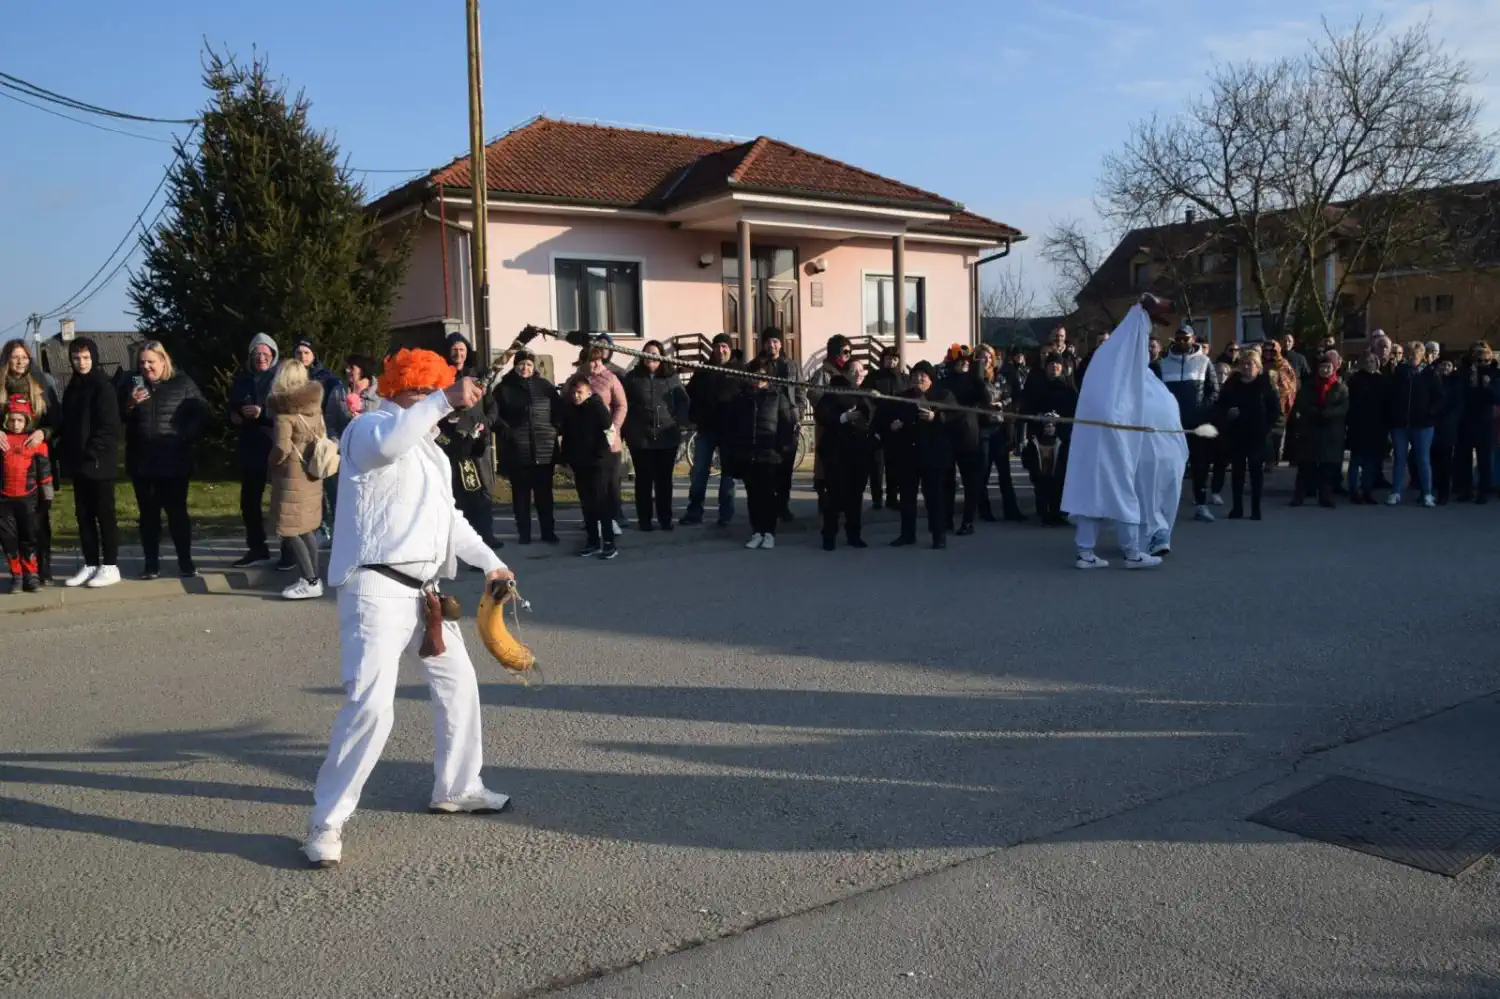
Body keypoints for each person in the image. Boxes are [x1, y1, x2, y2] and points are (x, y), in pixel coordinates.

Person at [303, 350, 514, 869]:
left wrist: (491, 562)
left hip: (425, 592)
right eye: (429, 392)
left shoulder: (433, 452)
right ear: (409, 389)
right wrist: (445, 397)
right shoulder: (368, 427)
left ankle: (459, 786)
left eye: (440, 393)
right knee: (371, 707)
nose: (440, 405)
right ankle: (326, 821)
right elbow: (391, 444)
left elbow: (451, 520)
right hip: (375, 590)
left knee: (459, 685)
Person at [1062, 296, 1183, 569]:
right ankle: (1132, 553)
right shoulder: (1119, 363)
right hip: (1110, 438)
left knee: (1090, 492)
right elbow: (1117, 405)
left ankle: (1085, 552)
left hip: (1096, 437)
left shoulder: (1108, 361)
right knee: (1122, 491)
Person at [121, 341, 208, 580]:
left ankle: (185, 562)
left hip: (174, 461)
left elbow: (201, 412)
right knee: (148, 516)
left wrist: (183, 436)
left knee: (177, 514)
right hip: (142, 461)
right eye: (142, 363)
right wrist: (130, 404)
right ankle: (151, 564)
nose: (146, 367)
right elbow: (118, 415)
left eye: (151, 361)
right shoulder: (131, 384)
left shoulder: (182, 383)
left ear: (163, 361)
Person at [56, 337, 123, 588]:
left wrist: (92, 453)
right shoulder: (73, 387)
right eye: (76, 357)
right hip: (78, 464)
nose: (81, 362)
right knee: (83, 515)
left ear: (93, 358)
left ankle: (111, 565)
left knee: (104, 515)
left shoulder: (102, 386)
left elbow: (110, 427)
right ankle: (91, 562)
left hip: (99, 463)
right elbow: (68, 424)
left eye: (85, 357)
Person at [267, 359, 329, 599]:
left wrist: (270, 464)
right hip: (312, 473)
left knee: (290, 529)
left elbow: (281, 449)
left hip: (291, 477)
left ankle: (310, 580)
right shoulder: (314, 407)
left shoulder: (285, 414)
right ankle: (314, 577)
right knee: (307, 529)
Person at [3, 339, 59, 582]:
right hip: (7, 462)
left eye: (24, 357)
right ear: (7, 359)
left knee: (38, 519)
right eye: (15, 357)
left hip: (36, 458)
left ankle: (41, 569)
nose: (20, 362)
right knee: (9, 524)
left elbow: (57, 419)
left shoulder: (42, 383)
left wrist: (43, 432)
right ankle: (19, 571)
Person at [228, 334, 286, 569]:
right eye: (257, 354)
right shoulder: (242, 379)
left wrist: (264, 414)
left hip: (275, 445)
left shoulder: (280, 379)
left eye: (266, 354)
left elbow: (289, 412)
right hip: (250, 446)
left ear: (273, 356)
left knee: (282, 502)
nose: (261, 358)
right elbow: (230, 407)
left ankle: (289, 552)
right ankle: (257, 548)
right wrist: (237, 415)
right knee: (249, 502)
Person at [884, 361, 956, 550]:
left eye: (923, 376)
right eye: (915, 375)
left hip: (934, 455)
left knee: (934, 498)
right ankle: (907, 534)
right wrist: (893, 426)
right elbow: (886, 419)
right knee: (907, 497)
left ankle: (938, 535)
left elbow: (956, 417)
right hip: (908, 455)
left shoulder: (943, 396)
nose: (918, 379)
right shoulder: (901, 398)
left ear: (931, 378)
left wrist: (936, 417)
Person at [440, 333, 501, 551]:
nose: (458, 354)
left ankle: (487, 535)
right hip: (453, 444)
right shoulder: (441, 378)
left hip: (477, 443)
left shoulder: (477, 377)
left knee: (482, 491)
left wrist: (487, 423)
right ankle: (465, 542)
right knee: (460, 495)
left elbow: (491, 406)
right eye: (454, 350)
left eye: (462, 349)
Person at [493, 350, 561, 544]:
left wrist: (554, 429)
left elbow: (559, 410)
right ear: (515, 366)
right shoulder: (504, 388)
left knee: (545, 496)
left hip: (544, 450)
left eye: (529, 365)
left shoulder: (545, 386)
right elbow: (495, 416)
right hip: (517, 451)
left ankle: (548, 532)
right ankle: (524, 534)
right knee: (521, 497)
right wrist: (508, 433)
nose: (525, 368)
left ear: (534, 367)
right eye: (521, 364)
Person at [729, 358, 796, 550]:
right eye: (754, 374)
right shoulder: (741, 398)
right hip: (748, 453)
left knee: (769, 495)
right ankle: (756, 531)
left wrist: (782, 449)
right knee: (753, 495)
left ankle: (769, 532)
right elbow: (732, 428)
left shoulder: (777, 397)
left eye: (762, 374)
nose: (758, 378)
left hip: (770, 454)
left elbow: (787, 425)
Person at [1157, 321, 1221, 523]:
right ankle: (1163, 507)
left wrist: (1202, 411)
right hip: (1171, 424)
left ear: (1193, 339)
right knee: (1169, 466)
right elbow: (1157, 393)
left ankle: (1201, 505)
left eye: (1186, 338)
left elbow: (1214, 390)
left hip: (1196, 424)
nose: (1182, 342)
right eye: (1178, 339)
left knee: (1200, 465)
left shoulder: (1204, 361)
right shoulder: (1163, 364)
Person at [622, 340, 689, 532]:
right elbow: (623, 403)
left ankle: (665, 519)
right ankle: (644, 520)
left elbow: (683, 401)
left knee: (664, 481)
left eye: (654, 353)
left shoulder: (671, 378)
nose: (650, 357)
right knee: (643, 480)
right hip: (641, 438)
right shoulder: (633, 378)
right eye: (647, 353)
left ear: (661, 356)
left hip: (666, 437)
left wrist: (679, 421)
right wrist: (628, 429)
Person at [814, 357, 875, 550]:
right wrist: (844, 417)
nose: (858, 374)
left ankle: (854, 534)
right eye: (854, 370)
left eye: (861, 370)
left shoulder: (867, 394)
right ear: (846, 373)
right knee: (834, 496)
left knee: (856, 496)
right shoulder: (834, 391)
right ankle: (829, 535)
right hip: (837, 452)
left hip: (859, 452)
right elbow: (822, 415)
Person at [681, 333, 741, 526]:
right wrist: (692, 417)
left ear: (730, 349)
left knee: (728, 475)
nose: (720, 350)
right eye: (717, 347)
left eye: (724, 346)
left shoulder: (740, 370)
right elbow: (688, 395)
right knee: (699, 472)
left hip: (730, 431)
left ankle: (725, 514)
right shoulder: (704, 371)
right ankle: (694, 511)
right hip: (706, 428)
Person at [1213, 349, 1280, 520]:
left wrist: (1266, 427)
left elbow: (1275, 410)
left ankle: (1256, 509)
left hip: (1257, 435)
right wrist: (1228, 413)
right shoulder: (1232, 383)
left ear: (1258, 367)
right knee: (1237, 473)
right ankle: (1237, 508)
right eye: (1243, 363)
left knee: (1256, 473)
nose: (1246, 367)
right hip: (1236, 434)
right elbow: (1220, 406)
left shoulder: (1265, 384)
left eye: (1250, 364)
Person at [560, 374, 618, 560]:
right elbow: (567, 436)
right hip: (580, 463)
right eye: (573, 392)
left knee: (601, 502)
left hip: (598, 462)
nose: (576, 396)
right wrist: (566, 458)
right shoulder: (570, 411)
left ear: (588, 391)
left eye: (579, 392)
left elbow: (609, 431)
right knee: (587, 504)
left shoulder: (596, 407)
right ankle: (592, 540)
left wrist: (600, 453)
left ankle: (609, 542)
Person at [1019, 353, 1079, 525]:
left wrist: (1058, 421)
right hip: (1040, 439)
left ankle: (1058, 511)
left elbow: (1074, 412)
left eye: (1057, 365)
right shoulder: (1037, 386)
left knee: (1059, 477)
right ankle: (1043, 511)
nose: (1054, 368)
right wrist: (1042, 419)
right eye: (1051, 365)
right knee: (1041, 477)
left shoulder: (1069, 388)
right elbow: (1027, 410)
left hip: (1062, 439)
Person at [0, 396, 51, 593]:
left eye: (20, 420)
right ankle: (17, 576)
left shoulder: (37, 444)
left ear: (27, 421)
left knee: (29, 538)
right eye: (12, 420)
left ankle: (32, 575)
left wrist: (46, 498)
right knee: (8, 539)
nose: (16, 424)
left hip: (29, 499)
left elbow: (45, 473)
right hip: (5, 500)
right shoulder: (2, 441)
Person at [322, 354, 380, 526]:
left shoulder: (380, 394)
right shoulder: (338, 392)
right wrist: (336, 443)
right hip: (345, 456)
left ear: (363, 371)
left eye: (352, 368)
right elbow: (330, 421)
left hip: (371, 456)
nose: (347, 371)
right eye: (347, 367)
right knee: (345, 501)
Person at [1385, 342, 1443, 507]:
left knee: (1423, 459)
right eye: (1409, 355)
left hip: (1423, 424)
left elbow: (1439, 397)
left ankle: (1427, 493)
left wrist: (1431, 411)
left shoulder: (1430, 374)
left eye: (1415, 355)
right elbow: (1390, 396)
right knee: (1399, 458)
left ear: (1421, 356)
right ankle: (1395, 492)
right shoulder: (1399, 373)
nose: (1412, 358)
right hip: (1400, 424)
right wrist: (1392, 414)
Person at [938, 348, 989, 536]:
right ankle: (947, 519)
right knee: (947, 479)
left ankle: (968, 520)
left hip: (969, 433)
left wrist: (979, 370)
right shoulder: (944, 382)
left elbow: (985, 397)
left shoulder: (974, 381)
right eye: (960, 361)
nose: (964, 364)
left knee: (970, 479)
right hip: (948, 433)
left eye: (966, 361)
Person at [1289, 352, 1350, 509]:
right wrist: (1314, 412)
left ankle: (1325, 497)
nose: (1325, 370)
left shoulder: (1340, 386)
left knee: (1326, 469)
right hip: (1311, 429)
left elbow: (1344, 407)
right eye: (1322, 367)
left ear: (1334, 368)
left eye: (1328, 367)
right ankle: (1299, 496)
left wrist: (1327, 413)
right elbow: (1301, 403)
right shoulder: (1310, 386)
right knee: (1306, 466)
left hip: (1331, 431)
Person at [578, 345, 627, 536]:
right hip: (585, 441)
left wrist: (614, 427)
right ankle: (591, 519)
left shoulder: (610, 378)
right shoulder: (577, 380)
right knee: (589, 484)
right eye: (592, 360)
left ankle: (612, 519)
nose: (596, 364)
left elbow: (621, 405)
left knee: (609, 484)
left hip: (608, 440)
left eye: (599, 360)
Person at [757, 328, 804, 521]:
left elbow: (801, 391)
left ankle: (783, 506)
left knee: (785, 471)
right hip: (765, 425)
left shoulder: (791, 366)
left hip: (787, 424)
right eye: (768, 341)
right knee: (766, 471)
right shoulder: (755, 366)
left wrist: (798, 413)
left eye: (776, 341)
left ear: (781, 344)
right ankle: (767, 508)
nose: (772, 345)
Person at [975, 344, 1024, 522]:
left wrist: (1004, 405)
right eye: (981, 357)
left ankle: (1011, 510)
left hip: (1001, 429)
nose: (986, 360)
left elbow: (1013, 397)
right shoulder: (976, 377)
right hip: (983, 428)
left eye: (988, 356)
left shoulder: (1003, 376)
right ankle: (983, 510)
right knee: (983, 471)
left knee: (1005, 473)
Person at [1454, 342, 1499, 503]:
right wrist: (1470, 380)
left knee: (1484, 459)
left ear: (1489, 359)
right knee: (1464, 457)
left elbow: (1496, 397)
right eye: (1477, 360)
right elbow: (1459, 394)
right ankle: (1465, 490)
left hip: (1485, 420)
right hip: (1466, 419)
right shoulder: (1465, 372)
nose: (1480, 364)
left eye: (1484, 360)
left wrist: (1486, 386)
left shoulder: (1495, 374)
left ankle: (1483, 492)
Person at [1344, 352, 1389, 505]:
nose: (1371, 363)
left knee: (1371, 461)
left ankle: (1367, 490)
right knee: (1356, 460)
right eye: (1368, 361)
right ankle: (1353, 490)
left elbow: (1386, 404)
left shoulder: (1382, 380)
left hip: (1377, 426)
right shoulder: (1355, 380)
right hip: (1358, 425)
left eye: (1373, 361)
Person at [863, 345, 905, 510]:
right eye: (888, 358)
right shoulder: (874, 377)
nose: (892, 361)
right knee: (877, 466)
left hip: (896, 428)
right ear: (883, 360)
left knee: (894, 465)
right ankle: (876, 498)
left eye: (895, 358)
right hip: (878, 427)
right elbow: (866, 399)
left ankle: (893, 497)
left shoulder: (903, 378)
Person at [1020, 412, 1067, 527]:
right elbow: (1027, 458)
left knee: (1055, 496)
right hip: (1040, 475)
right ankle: (1044, 517)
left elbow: (1064, 460)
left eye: (1052, 426)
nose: (1050, 429)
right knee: (1042, 496)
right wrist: (1033, 470)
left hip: (1055, 475)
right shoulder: (1034, 443)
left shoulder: (1060, 443)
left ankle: (1056, 516)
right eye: (1047, 426)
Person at [1431, 356, 1463, 505]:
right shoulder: (1433, 381)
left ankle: (1444, 492)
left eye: (1448, 365)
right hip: (1432, 425)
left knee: (1445, 461)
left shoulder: (1456, 383)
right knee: (1433, 461)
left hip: (1448, 426)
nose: (1445, 368)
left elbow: (1458, 405)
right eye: (1443, 364)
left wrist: (1449, 420)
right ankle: (1432, 489)